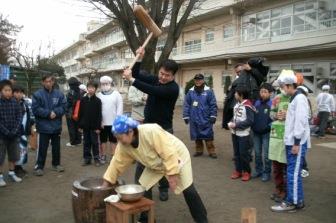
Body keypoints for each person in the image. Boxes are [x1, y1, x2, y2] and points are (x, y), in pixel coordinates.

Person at [102, 115, 208, 223]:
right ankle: (147, 219)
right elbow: (117, 162)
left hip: (177, 157)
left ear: (130, 132)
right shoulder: (123, 145)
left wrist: (172, 175)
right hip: (154, 164)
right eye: (117, 138)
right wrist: (107, 182)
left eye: (120, 137)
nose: (118, 141)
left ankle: (202, 220)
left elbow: (168, 152)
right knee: (142, 188)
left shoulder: (151, 131)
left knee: (188, 190)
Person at [123, 46, 179, 202]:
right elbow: (137, 75)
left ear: (173, 76)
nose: (162, 77)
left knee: (162, 162)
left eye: (167, 75)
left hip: (164, 130)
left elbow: (151, 90)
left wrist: (132, 80)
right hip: (147, 129)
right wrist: (139, 58)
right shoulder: (157, 79)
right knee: (143, 160)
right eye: (161, 73)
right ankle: (140, 190)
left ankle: (163, 188)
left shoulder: (173, 89)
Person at [271, 70, 310, 212]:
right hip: (293, 141)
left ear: (288, 85)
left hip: (296, 142)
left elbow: (300, 122)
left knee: (293, 173)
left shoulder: (299, 98)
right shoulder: (296, 97)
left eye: (283, 87)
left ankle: (291, 202)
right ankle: (297, 201)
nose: (282, 89)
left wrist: (297, 143)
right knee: (293, 172)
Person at [32, 73, 66, 176]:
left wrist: (55, 112)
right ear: (42, 82)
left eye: (50, 81)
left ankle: (56, 164)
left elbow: (64, 107)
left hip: (56, 126)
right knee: (42, 148)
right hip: (43, 127)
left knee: (56, 147)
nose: (48, 83)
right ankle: (39, 167)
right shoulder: (37, 94)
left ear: (53, 82)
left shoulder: (59, 94)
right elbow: (35, 109)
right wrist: (48, 113)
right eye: (46, 81)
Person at [222, 58, 269, 129]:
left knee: (252, 127)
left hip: (252, 105)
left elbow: (261, 78)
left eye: (240, 71)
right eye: (237, 72)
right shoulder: (237, 81)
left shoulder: (253, 76)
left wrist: (251, 70)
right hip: (240, 108)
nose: (239, 73)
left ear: (245, 68)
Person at [183, 73, 218, 158]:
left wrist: (213, 116)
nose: (198, 81)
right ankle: (199, 151)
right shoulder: (190, 92)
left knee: (208, 136)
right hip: (194, 118)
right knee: (197, 135)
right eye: (196, 80)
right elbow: (187, 104)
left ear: (203, 80)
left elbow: (213, 104)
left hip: (205, 118)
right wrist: (186, 116)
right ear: (194, 81)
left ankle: (212, 151)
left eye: (199, 79)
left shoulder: (209, 91)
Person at [228, 86, 255, 181]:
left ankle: (247, 171)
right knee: (236, 153)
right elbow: (235, 117)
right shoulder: (237, 104)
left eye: (236, 93)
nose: (235, 94)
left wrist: (236, 125)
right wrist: (231, 122)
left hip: (243, 134)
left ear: (241, 95)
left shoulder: (248, 105)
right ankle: (238, 170)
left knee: (243, 153)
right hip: (234, 133)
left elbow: (250, 121)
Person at [0, 80, 23, 187]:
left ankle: (12, 173)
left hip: (14, 135)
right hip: (2, 135)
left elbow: (19, 117)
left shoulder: (15, 102)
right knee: (1, 156)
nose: (8, 92)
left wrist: (14, 131)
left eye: (10, 90)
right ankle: (0, 176)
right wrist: (6, 131)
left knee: (13, 155)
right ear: (1, 91)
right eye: (6, 90)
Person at [96, 76, 123, 164]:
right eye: (103, 84)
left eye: (106, 84)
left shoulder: (116, 94)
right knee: (102, 140)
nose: (105, 85)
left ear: (110, 84)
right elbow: (97, 110)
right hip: (103, 123)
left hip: (113, 122)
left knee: (113, 140)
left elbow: (120, 108)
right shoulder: (99, 95)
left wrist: (118, 120)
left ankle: (113, 156)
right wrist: (99, 121)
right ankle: (103, 155)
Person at [252, 83, 273, 182]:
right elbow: (252, 116)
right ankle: (258, 170)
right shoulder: (256, 103)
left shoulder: (272, 104)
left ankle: (267, 172)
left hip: (266, 133)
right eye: (261, 91)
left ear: (270, 93)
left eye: (265, 92)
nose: (263, 94)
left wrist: (268, 127)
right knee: (257, 153)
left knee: (266, 154)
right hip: (256, 132)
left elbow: (274, 120)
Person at [78, 81, 102, 166]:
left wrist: (98, 128)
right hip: (85, 126)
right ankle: (87, 159)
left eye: (93, 88)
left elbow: (99, 115)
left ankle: (96, 159)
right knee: (86, 142)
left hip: (94, 127)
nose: (91, 89)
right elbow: (80, 113)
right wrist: (80, 125)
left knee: (95, 143)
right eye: (89, 87)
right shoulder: (83, 100)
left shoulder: (98, 101)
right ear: (87, 88)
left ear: (95, 89)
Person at [13, 85, 33, 177]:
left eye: (21, 92)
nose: (19, 94)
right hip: (15, 132)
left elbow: (28, 117)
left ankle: (20, 167)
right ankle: (14, 169)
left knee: (23, 150)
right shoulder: (11, 103)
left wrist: (29, 129)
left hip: (24, 131)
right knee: (15, 150)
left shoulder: (24, 104)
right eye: (16, 92)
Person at [297, 86, 312, 178]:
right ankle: (302, 168)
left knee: (301, 152)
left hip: (302, 132)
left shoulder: (305, 101)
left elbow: (309, 116)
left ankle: (304, 169)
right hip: (298, 131)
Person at [65, 77, 82, 147]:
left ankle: (73, 142)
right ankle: (79, 140)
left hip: (71, 113)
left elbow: (69, 103)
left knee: (71, 127)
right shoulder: (80, 91)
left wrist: (65, 109)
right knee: (77, 126)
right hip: (79, 112)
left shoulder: (71, 92)